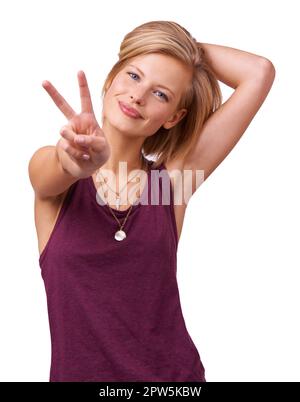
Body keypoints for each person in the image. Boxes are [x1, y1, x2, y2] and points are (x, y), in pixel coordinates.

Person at [28, 20, 275, 382]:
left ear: (173, 117)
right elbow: (54, 172)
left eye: (161, 94)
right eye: (133, 75)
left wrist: (184, 51)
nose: (138, 96)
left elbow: (259, 72)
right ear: (111, 78)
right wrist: (76, 162)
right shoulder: (59, 179)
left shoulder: (169, 185)